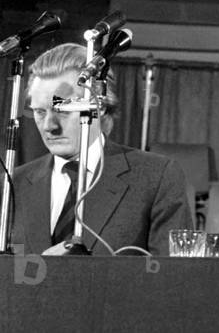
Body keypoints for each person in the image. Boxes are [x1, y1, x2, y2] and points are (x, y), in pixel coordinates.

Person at [11, 43, 193, 255]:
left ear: (100, 106)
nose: (50, 126)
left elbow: (175, 279)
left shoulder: (156, 177)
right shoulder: (13, 185)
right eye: (40, 112)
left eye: (63, 110)